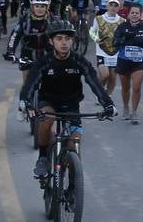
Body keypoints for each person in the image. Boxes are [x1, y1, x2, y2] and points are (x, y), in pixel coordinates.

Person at [20, 21, 116, 179]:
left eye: (67, 38)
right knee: (46, 120)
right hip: (48, 102)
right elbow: (31, 84)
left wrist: (108, 104)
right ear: (51, 41)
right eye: (59, 38)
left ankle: (72, 184)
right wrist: (25, 102)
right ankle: (43, 157)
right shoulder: (44, 62)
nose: (64, 42)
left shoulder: (79, 61)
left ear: (72, 41)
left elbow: (95, 83)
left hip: (71, 104)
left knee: (74, 144)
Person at [113, 3, 143, 123]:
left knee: (136, 87)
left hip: (138, 62)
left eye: (137, 13)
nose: (134, 15)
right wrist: (121, 40)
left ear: (140, 15)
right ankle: (126, 108)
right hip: (124, 61)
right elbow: (115, 41)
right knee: (125, 87)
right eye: (132, 12)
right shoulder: (122, 26)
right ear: (129, 14)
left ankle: (134, 112)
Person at [4, 0, 55, 84]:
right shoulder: (25, 20)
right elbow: (15, 35)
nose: (39, 9)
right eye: (37, 6)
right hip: (28, 52)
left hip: (47, 52)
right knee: (27, 81)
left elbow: (62, 37)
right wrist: (10, 52)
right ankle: (26, 97)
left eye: (42, 6)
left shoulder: (52, 21)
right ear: (32, 7)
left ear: (47, 7)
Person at [89, 0, 125, 95]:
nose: (113, 8)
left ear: (119, 8)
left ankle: (107, 97)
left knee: (112, 78)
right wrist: (96, 39)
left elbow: (124, 35)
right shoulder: (99, 19)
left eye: (115, 6)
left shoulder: (122, 21)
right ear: (107, 6)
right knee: (105, 75)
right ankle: (99, 92)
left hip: (115, 52)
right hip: (102, 51)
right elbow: (92, 31)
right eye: (111, 5)